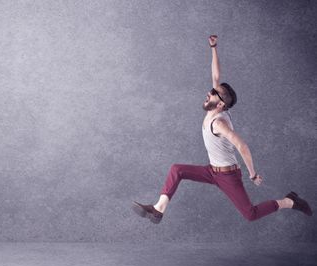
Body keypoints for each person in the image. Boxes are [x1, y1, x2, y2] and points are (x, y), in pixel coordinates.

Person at [132, 35, 313, 224]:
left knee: (250, 214)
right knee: (177, 170)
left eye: (213, 94)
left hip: (228, 175)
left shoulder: (219, 123)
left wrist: (252, 174)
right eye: (212, 91)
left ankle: (289, 201)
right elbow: (216, 75)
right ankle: (158, 209)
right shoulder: (216, 105)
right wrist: (214, 47)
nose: (209, 93)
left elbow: (242, 146)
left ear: (220, 104)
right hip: (212, 170)